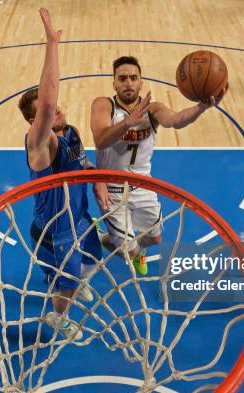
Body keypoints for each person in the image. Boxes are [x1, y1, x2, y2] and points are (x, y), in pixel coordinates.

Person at [90, 55, 226, 275]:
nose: (128, 82)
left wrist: (201, 108)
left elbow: (176, 120)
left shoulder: (153, 109)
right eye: (122, 78)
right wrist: (128, 122)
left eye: (133, 78)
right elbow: (100, 139)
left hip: (143, 185)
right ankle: (110, 240)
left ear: (141, 82)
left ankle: (113, 240)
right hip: (111, 188)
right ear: (113, 82)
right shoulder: (104, 105)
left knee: (155, 237)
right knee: (129, 252)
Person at [19, 8, 102, 341]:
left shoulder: (71, 132)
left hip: (80, 218)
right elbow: (48, 104)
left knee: (92, 259)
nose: (57, 109)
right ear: (35, 120)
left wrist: (96, 182)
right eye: (46, 111)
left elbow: (83, 166)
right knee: (64, 286)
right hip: (56, 232)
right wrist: (52, 44)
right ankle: (57, 317)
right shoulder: (39, 145)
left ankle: (71, 283)